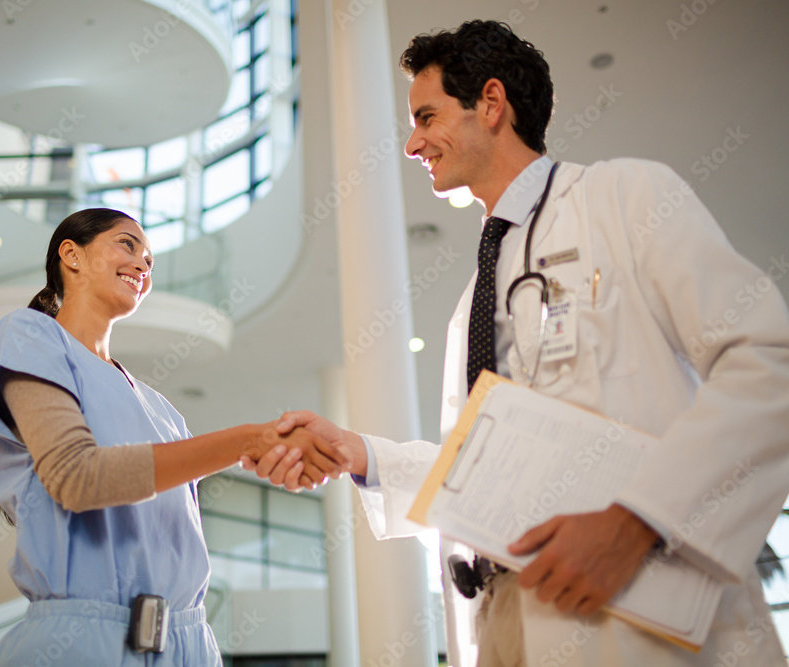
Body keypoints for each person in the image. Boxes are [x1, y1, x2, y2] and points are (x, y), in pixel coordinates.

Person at [245, 20, 789, 667]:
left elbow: (766, 359)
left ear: (492, 103)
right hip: (507, 618)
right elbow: (482, 470)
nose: (413, 142)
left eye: (426, 116)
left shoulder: (624, 199)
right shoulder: (474, 297)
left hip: (635, 605)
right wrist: (360, 453)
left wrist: (640, 518)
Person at [0, 208, 347, 666]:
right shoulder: (29, 336)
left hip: (189, 642)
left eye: (150, 261)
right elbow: (76, 477)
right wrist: (248, 441)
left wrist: (283, 452)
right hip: (80, 644)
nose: (143, 265)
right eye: (127, 245)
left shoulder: (165, 412)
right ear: (71, 255)